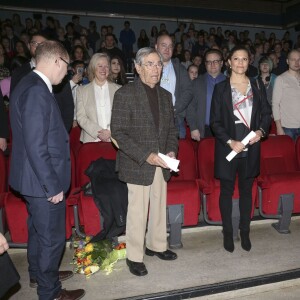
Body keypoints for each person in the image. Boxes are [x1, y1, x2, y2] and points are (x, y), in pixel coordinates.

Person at [9, 40, 85, 300]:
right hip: (41, 182)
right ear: (56, 61)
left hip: (31, 180)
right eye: (66, 67)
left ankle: (40, 274)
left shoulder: (29, 84)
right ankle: (50, 292)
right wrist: (52, 186)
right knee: (52, 238)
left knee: (38, 232)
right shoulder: (37, 91)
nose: (67, 73)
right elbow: (35, 144)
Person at [111, 47, 178, 277]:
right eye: (149, 64)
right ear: (138, 68)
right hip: (137, 162)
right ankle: (134, 256)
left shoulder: (166, 95)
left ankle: (157, 245)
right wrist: (146, 155)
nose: (155, 69)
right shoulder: (125, 94)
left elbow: (171, 130)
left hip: (161, 162)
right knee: (138, 212)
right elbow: (118, 133)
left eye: (158, 64)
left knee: (159, 206)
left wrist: (170, 150)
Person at [210, 46, 271, 253]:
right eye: (236, 58)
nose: (240, 63)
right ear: (229, 61)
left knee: (247, 191)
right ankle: (228, 232)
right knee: (226, 192)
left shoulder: (257, 85)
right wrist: (230, 141)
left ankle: (245, 231)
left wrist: (261, 132)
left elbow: (265, 113)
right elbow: (215, 122)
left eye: (244, 59)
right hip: (229, 149)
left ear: (249, 61)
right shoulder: (221, 88)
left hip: (251, 147)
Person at [10, 34, 75, 133]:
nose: (39, 47)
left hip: (55, 131)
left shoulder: (58, 77)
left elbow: (68, 107)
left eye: (42, 44)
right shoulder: (21, 74)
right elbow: (14, 107)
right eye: (35, 43)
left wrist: (62, 133)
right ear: (28, 46)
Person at [76, 53, 120, 143]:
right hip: (91, 140)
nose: (103, 69)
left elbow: (123, 116)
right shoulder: (82, 91)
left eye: (106, 66)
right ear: (93, 68)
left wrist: (110, 132)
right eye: (100, 66)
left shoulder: (119, 89)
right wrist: (99, 132)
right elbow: (81, 117)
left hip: (115, 140)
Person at [155, 34, 192, 139]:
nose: (167, 49)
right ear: (156, 47)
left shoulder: (180, 69)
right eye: (164, 45)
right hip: (153, 121)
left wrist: (176, 109)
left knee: (175, 154)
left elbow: (189, 91)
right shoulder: (148, 68)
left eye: (170, 46)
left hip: (176, 121)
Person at [186, 49, 226, 141]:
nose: (212, 64)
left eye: (216, 61)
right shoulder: (197, 83)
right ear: (205, 64)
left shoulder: (230, 83)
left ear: (221, 63)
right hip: (204, 129)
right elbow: (190, 107)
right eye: (209, 62)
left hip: (225, 130)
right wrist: (193, 127)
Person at [272, 49, 300, 140]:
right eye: (293, 59)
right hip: (288, 127)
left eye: (299, 59)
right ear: (287, 61)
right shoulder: (281, 79)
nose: (297, 62)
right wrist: (278, 127)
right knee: (290, 154)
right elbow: (275, 104)